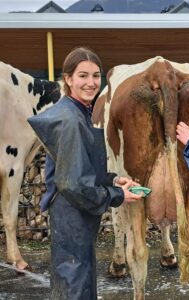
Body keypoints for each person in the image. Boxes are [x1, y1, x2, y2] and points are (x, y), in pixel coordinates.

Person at [28, 47, 142, 300]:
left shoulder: (78, 112)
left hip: (73, 212)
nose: (91, 83)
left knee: (76, 276)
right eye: (82, 76)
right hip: (72, 211)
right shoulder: (71, 121)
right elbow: (76, 184)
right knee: (76, 284)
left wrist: (113, 179)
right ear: (68, 79)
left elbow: (77, 166)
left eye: (96, 75)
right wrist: (117, 194)